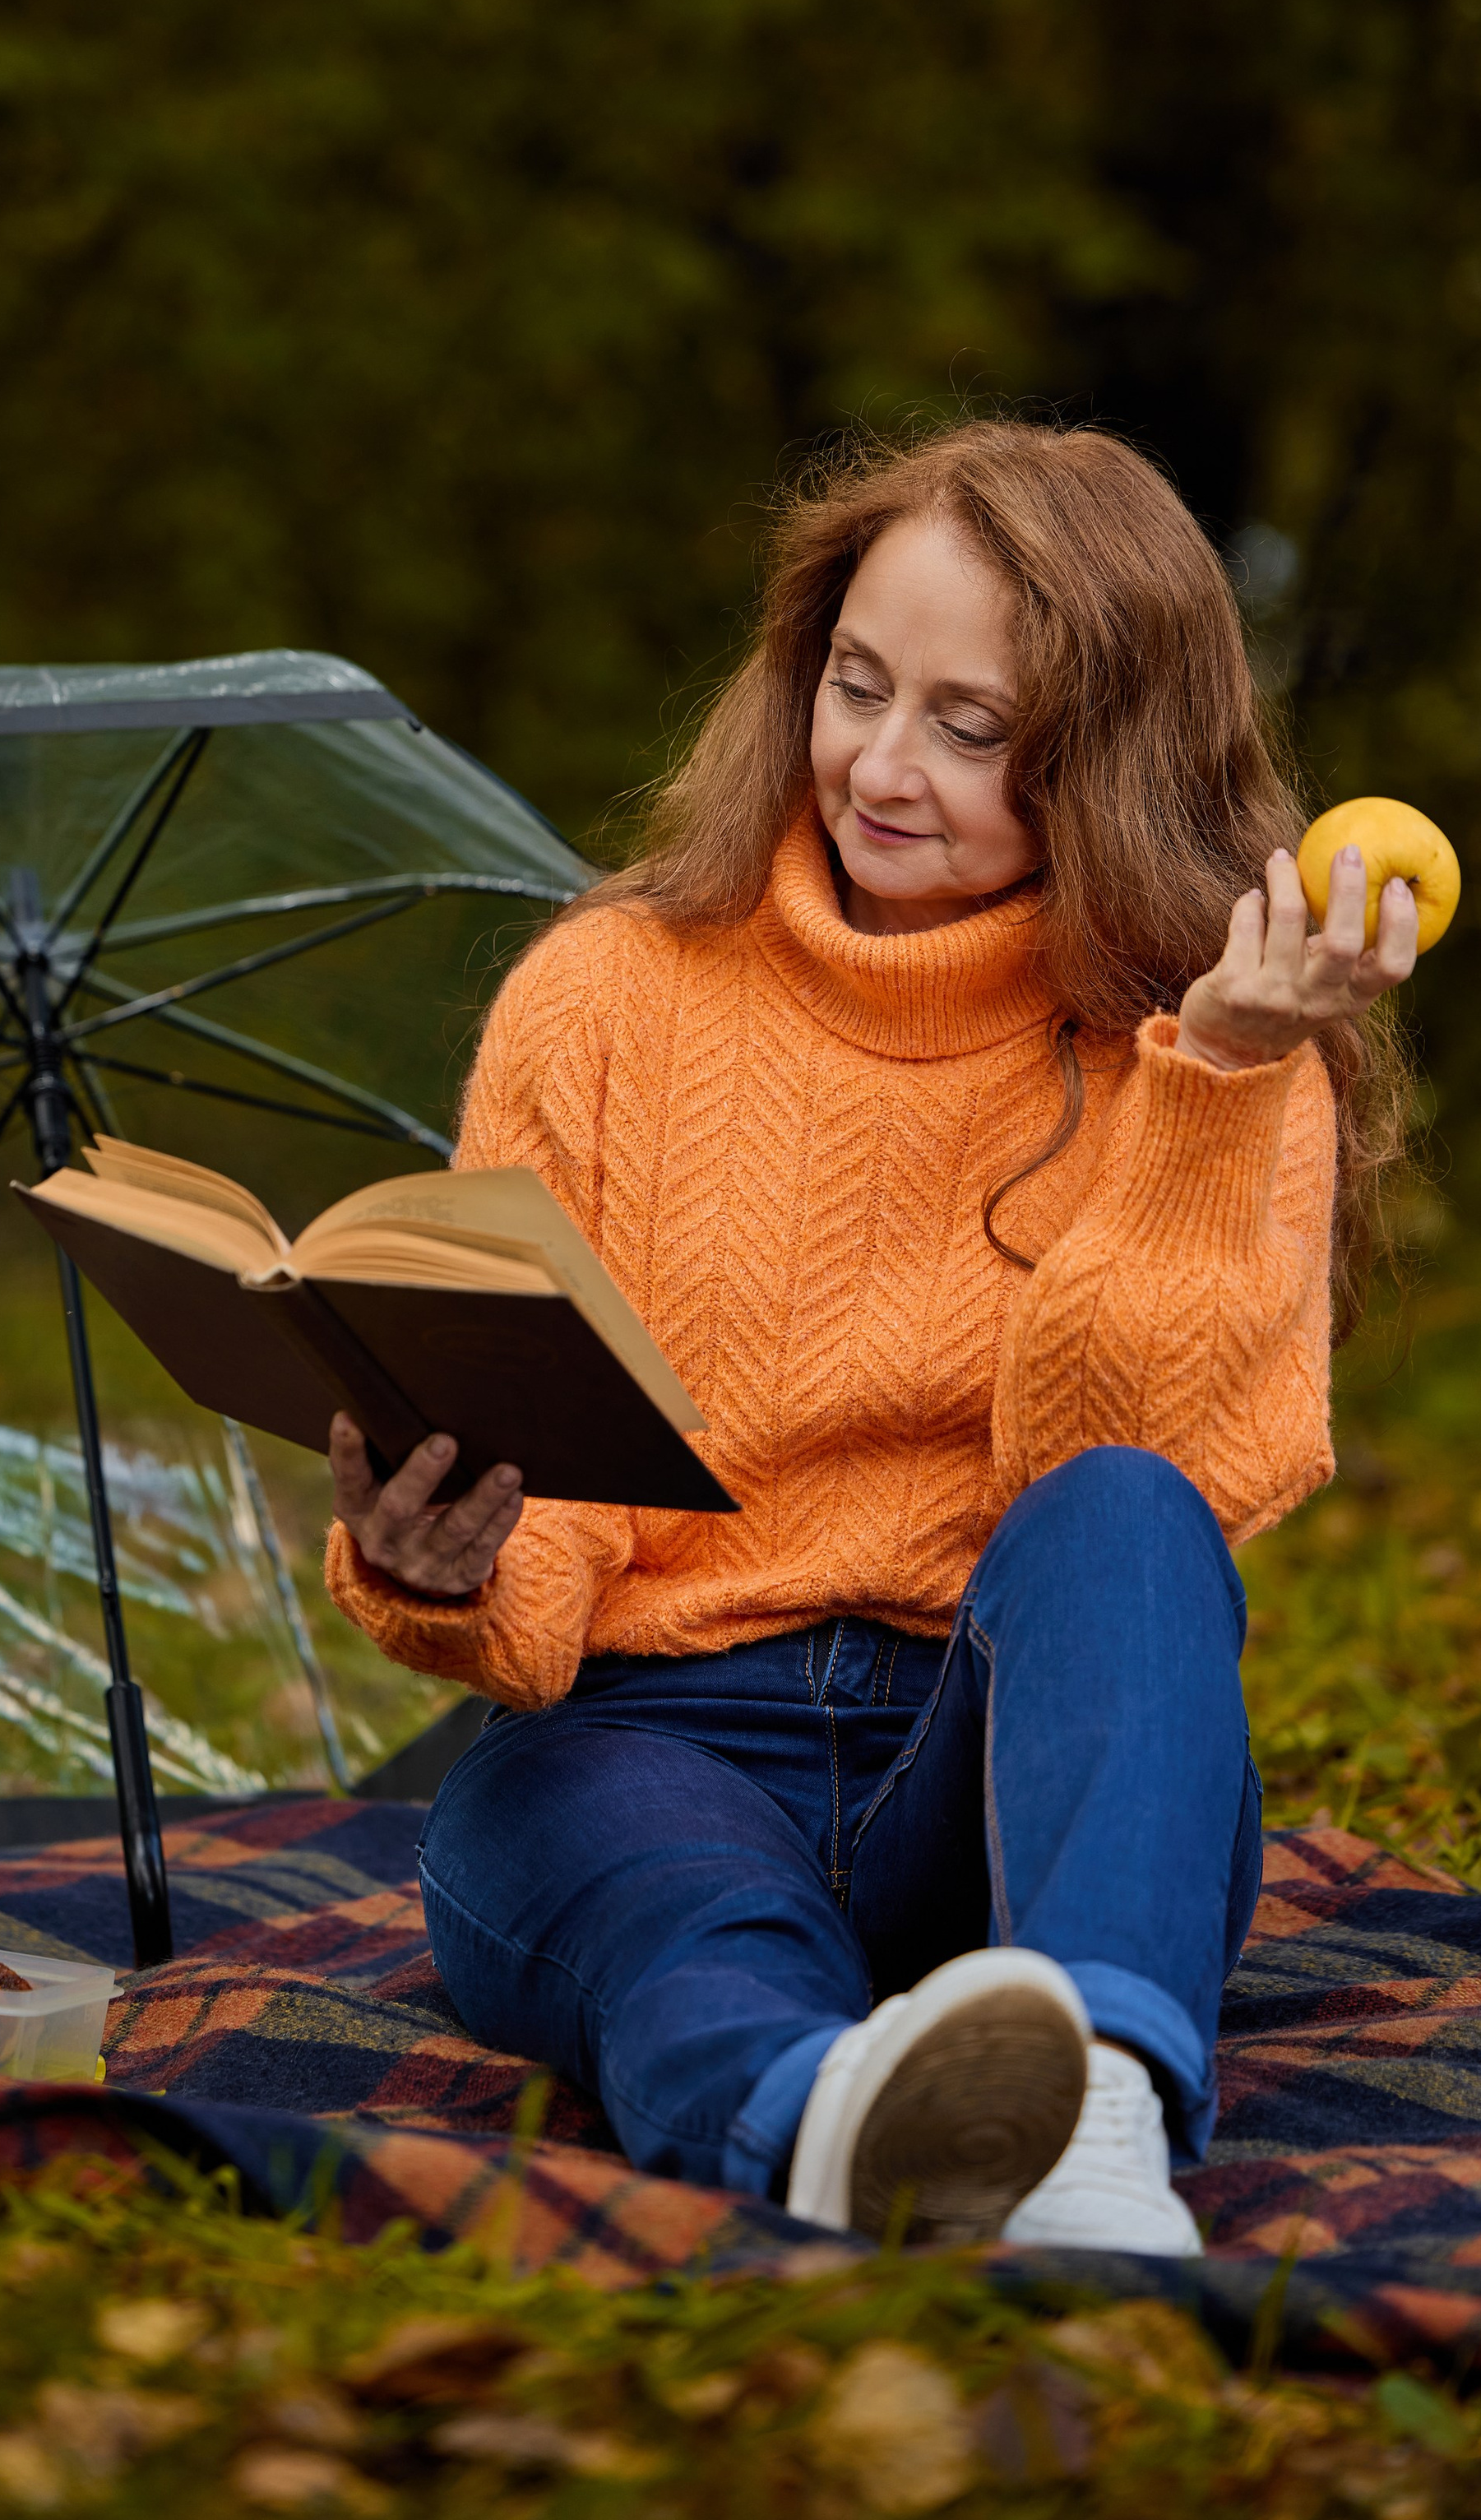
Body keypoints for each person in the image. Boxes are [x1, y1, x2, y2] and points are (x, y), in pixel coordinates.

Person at [322, 421, 1415, 2254]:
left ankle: (1091, 2113)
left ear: (1108, 759)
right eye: (855, 685)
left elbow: (1124, 1490)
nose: (882, 767)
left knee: (1126, 1511)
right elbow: (545, 1536)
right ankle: (817, 2116)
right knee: (628, 1879)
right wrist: (437, 1562)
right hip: (650, 1743)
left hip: (999, 1784)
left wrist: (1212, 1078)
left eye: (970, 729)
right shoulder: (602, 996)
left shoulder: (1220, 1042)